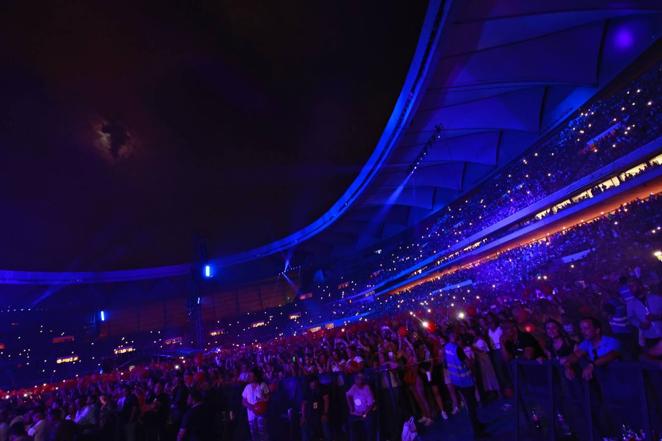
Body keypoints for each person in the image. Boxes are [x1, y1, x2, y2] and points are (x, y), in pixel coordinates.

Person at [445, 328, 487, 438]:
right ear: (451, 336)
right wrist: (472, 362)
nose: (457, 336)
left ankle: (478, 425)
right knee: (472, 407)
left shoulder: (446, 347)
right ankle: (477, 432)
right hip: (466, 381)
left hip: (457, 381)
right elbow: (468, 364)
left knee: (470, 406)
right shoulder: (457, 349)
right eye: (454, 334)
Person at [345, 373, 376, 441]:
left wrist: (365, 413)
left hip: (366, 413)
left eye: (360, 379)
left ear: (363, 380)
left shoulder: (367, 388)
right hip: (356, 413)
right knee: (350, 425)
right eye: (356, 379)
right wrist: (351, 408)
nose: (358, 381)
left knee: (369, 426)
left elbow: (371, 404)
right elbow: (347, 395)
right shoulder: (354, 387)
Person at [242, 367, 270, 441]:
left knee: (263, 433)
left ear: (256, 377)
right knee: (254, 435)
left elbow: (268, 398)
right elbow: (243, 401)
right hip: (251, 415)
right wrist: (251, 407)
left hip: (261, 414)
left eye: (251, 376)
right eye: (249, 376)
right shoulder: (247, 387)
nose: (249, 377)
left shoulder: (263, 385)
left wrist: (262, 399)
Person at [300, 375, 331, 441]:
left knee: (324, 422)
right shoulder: (307, 390)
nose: (313, 384)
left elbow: (326, 400)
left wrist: (325, 413)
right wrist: (303, 416)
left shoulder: (322, 388)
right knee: (304, 423)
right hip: (311, 413)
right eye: (311, 382)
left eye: (314, 382)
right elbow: (303, 404)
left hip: (321, 412)